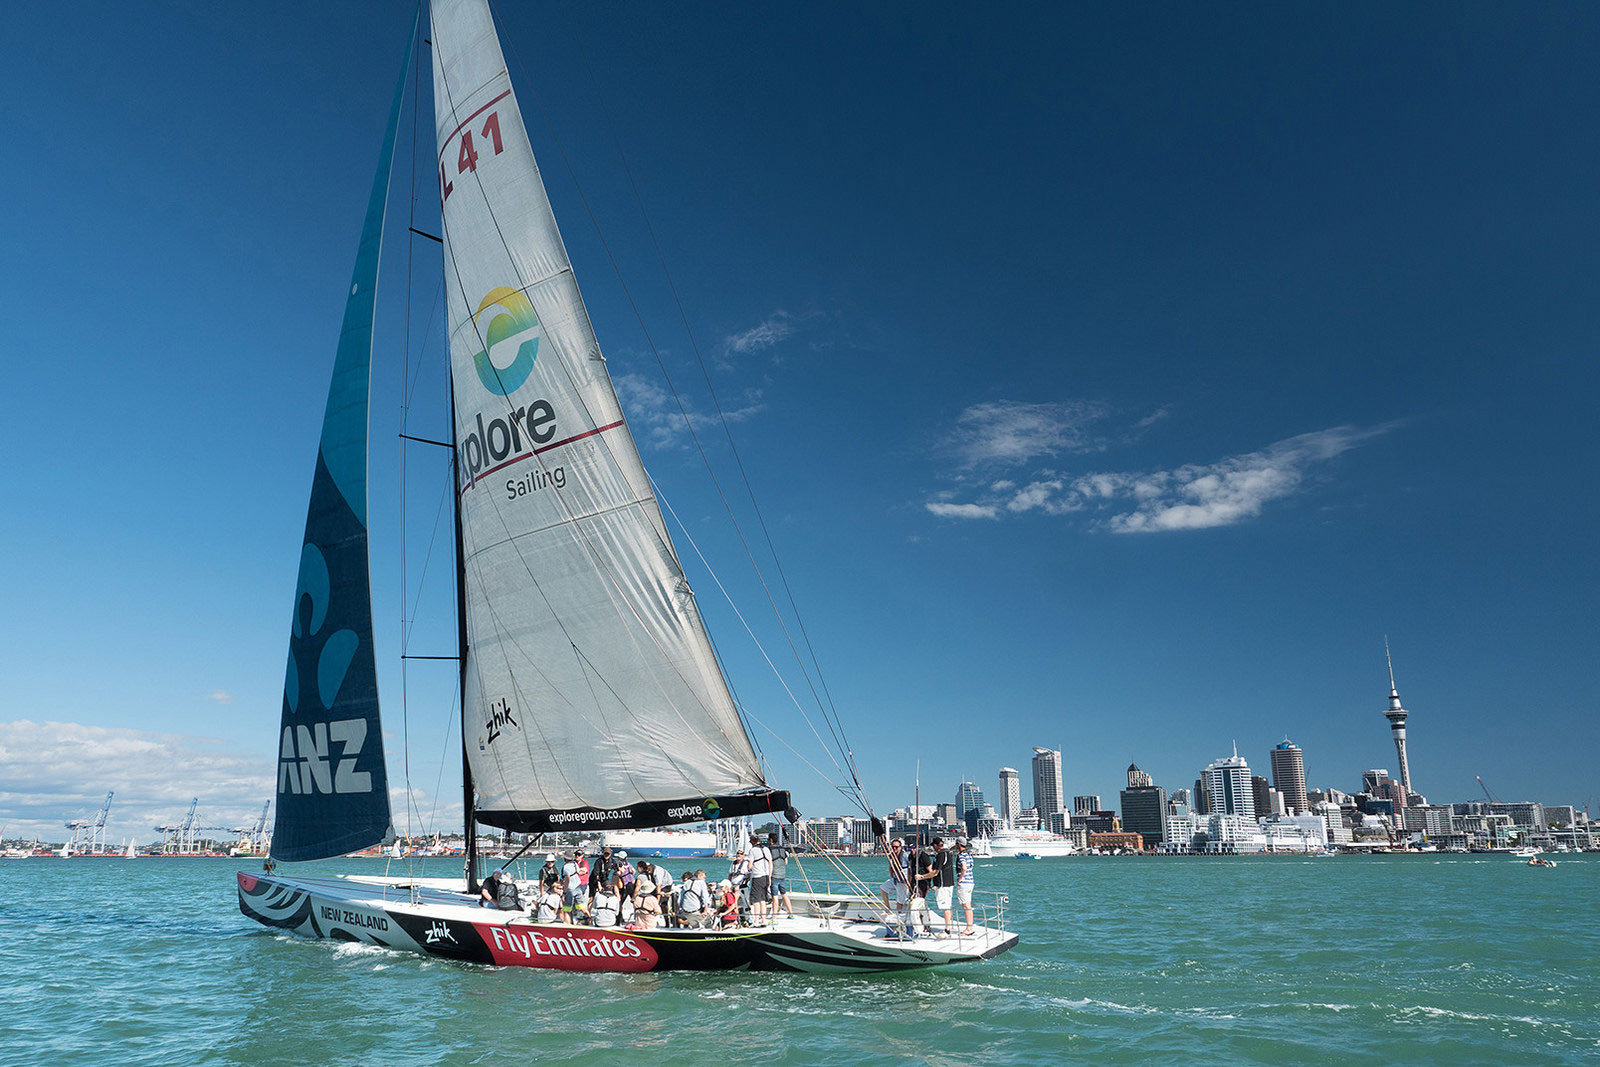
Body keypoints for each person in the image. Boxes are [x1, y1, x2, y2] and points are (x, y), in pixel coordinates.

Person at [925, 837, 956, 936]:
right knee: (947, 906)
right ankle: (949, 926)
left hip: (944, 885)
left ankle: (947, 930)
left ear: (935, 845)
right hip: (948, 884)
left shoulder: (941, 855)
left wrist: (921, 877)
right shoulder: (948, 853)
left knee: (945, 907)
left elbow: (935, 872)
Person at [747, 834, 773, 924]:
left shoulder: (752, 850)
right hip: (766, 876)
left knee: (756, 900)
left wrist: (749, 868)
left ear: (753, 842)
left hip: (757, 876)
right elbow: (770, 863)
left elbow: (749, 866)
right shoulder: (766, 849)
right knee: (763, 900)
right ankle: (764, 920)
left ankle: (756, 920)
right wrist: (769, 877)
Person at [767, 831, 794, 918]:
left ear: (770, 840)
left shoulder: (769, 850)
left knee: (774, 896)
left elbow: (769, 863)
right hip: (782, 875)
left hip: (774, 875)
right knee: (784, 894)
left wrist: (769, 877)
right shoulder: (782, 849)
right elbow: (786, 862)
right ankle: (791, 913)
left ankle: (774, 917)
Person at [955, 837, 977, 935]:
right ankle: (970, 926)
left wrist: (960, 879)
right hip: (970, 882)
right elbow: (970, 867)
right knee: (968, 905)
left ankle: (969, 928)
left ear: (959, 844)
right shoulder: (969, 855)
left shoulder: (961, 856)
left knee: (966, 906)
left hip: (964, 883)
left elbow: (964, 868)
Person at [561, 850, 587, 922]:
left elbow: (567, 880)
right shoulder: (575, 864)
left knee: (567, 910)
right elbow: (578, 872)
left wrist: (564, 892)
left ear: (566, 858)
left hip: (570, 889)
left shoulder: (566, 867)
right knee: (582, 908)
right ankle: (590, 920)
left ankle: (567, 926)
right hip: (578, 888)